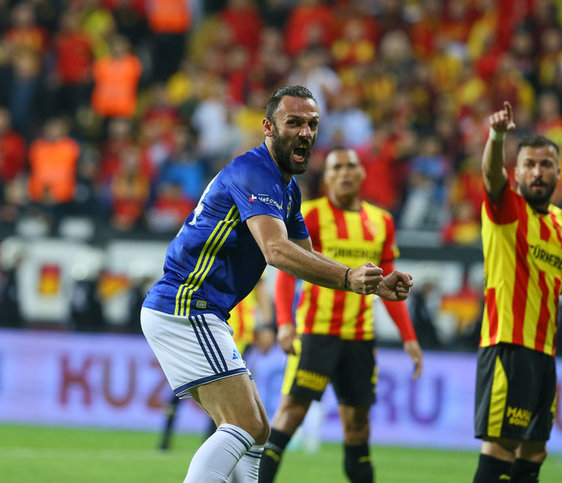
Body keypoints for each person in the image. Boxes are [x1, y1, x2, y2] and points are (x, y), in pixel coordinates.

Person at [140, 85, 414, 483]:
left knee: (258, 432)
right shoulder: (255, 172)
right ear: (268, 127)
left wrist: (370, 284)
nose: (306, 133)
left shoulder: (286, 188)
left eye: (312, 124)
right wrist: (348, 277)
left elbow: (305, 256)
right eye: (294, 123)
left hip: (198, 310)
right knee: (245, 425)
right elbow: (276, 250)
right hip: (185, 306)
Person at [258, 148, 423, 483]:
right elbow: (288, 271)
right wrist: (285, 323)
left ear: (362, 173)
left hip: (360, 338)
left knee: (358, 427)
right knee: (291, 415)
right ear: (327, 177)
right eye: (337, 168)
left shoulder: (382, 221)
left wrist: (409, 337)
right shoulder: (311, 215)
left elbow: (388, 285)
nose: (345, 172)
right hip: (316, 333)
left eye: (351, 166)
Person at [473, 101, 562, 483]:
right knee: (501, 449)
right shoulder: (506, 208)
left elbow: (552, 279)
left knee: (535, 451)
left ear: (559, 173)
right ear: (516, 172)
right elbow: (490, 173)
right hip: (508, 347)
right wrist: (497, 136)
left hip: (544, 352)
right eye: (529, 164)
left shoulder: (559, 222)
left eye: (546, 164)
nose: (537, 171)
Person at [158, 278, 276, 451]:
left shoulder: (250, 263)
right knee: (184, 386)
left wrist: (267, 326)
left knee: (222, 391)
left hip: (237, 336)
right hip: (204, 329)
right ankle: (166, 439)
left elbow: (261, 291)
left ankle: (208, 443)